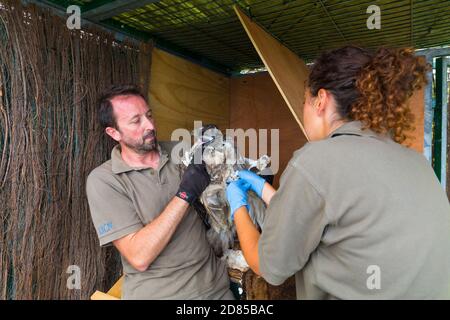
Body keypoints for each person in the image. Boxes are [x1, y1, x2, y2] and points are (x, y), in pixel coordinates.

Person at [226, 46, 450, 299]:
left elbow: (268, 267)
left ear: (320, 100)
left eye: (304, 102)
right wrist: (264, 189)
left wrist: (238, 207)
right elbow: (332, 213)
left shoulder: (315, 159)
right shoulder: (416, 163)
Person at [86, 85, 234, 299]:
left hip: (217, 291)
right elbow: (140, 256)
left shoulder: (180, 151)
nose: (149, 125)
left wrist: (221, 156)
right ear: (113, 132)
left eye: (149, 115)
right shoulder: (105, 181)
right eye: (136, 121)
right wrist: (184, 194)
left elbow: (220, 199)